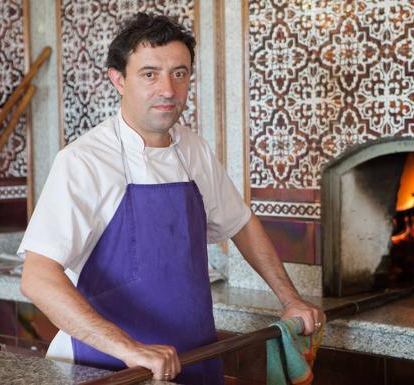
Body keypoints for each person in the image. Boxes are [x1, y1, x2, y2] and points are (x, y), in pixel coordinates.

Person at [19, 12, 325, 384]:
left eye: (179, 73)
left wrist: (289, 299)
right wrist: (130, 349)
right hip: (112, 368)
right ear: (118, 80)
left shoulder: (192, 149)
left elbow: (241, 224)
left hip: (193, 358)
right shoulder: (83, 161)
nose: (167, 89)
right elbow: (36, 278)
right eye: (149, 74)